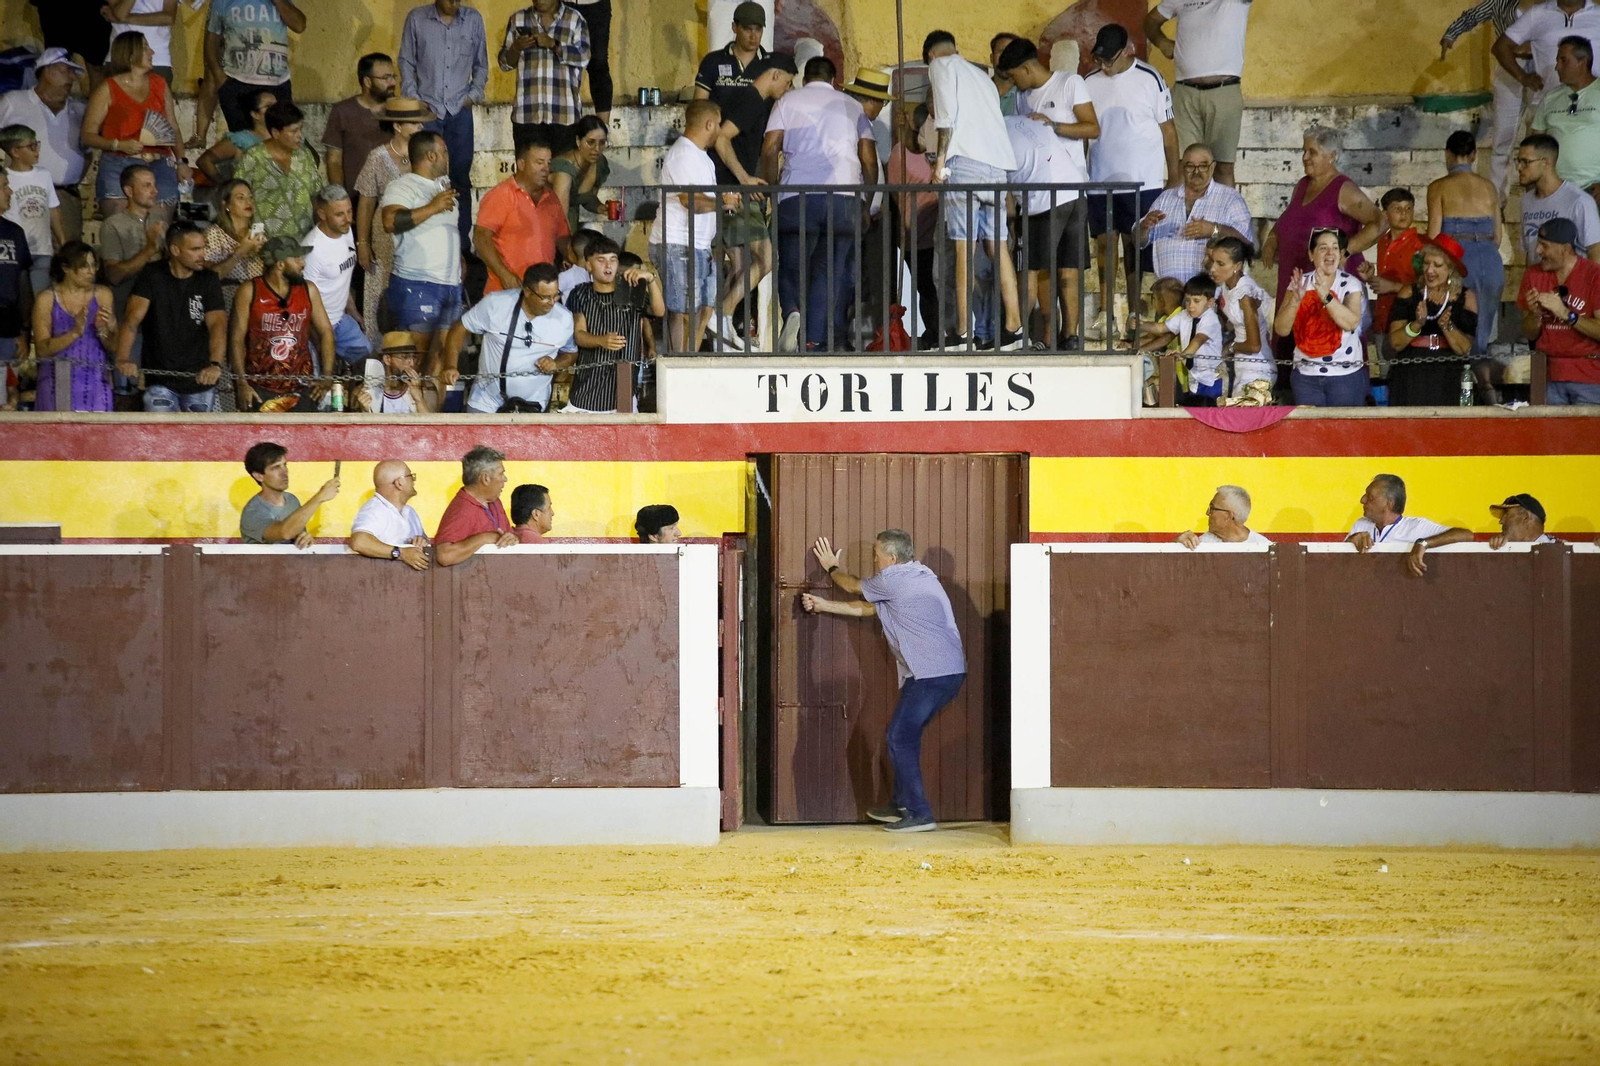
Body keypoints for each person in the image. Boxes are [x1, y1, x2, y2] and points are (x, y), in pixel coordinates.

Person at [800, 530, 965, 834]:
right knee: (905, 736)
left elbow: (852, 587)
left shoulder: (894, 578)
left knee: (898, 737)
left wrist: (831, 567)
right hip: (941, 673)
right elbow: (867, 609)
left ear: (891, 558)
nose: (873, 558)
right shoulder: (918, 575)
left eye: (876, 553)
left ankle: (919, 813)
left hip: (931, 674)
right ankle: (901, 804)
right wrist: (824, 605)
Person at [761, 56, 877, 352]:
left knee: (790, 264)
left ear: (803, 78)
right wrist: (865, 202)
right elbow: (868, 160)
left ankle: (793, 312)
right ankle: (813, 341)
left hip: (797, 196)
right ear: (834, 80)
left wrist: (773, 190)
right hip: (844, 199)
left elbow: (770, 148)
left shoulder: (787, 101)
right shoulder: (852, 107)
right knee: (829, 270)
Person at [924, 30, 1024, 350]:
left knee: (963, 248)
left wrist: (939, 163)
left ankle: (965, 331)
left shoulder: (941, 66)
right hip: (997, 168)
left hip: (964, 163)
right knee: (999, 248)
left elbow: (946, 120)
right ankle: (1014, 327)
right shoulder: (982, 77)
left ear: (930, 55)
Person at [997, 39, 1099, 348]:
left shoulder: (1070, 83)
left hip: (1066, 188)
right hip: (1038, 190)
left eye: (1016, 76)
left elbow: (1093, 128)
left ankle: (1067, 335)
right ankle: (1043, 335)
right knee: (1041, 267)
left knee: (1059, 267)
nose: (1015, 83)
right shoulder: (1023, 98)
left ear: (1027, 67)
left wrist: (1054, 125)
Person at [1084, 24, 1179, 330]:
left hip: (1143, 180)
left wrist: (1173, 175)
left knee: (1135, 245)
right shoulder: (1088, 81)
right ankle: (1105, 310)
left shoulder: (1150, 78)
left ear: (1126, 51)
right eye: (1100, 59)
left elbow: (1168, 130)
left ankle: (1136, 309)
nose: (1104, 66)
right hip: (1100, 178)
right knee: (1104, 244)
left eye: (1109, 60)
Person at [1260, 125, 1383, 350]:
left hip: (1326, 282)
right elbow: (1289, 219)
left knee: (1322, 342)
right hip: (1295, 280)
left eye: (1312, 152)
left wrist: (1347, 251)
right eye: (1304, 151)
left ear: (1332, 156)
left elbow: (1380, 222)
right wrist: (1272, 238)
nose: (1305, 157)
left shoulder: (1343, 188)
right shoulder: (1302, 185)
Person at [709, 53, 794, 349]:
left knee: (743, 263)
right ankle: (723, 314)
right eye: (787, 81)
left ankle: (721, 322)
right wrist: (744, 178)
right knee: (766, 260)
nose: (787, 88)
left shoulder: (753, 100)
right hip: (736, 192)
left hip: (731, 190)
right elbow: (721, 137)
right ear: (774, 75)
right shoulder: (751, 99)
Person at [401, 0, 488, 251]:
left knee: (460, 178)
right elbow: (406, 62)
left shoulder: (473, 20)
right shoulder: (417, 18)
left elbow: (481, 65)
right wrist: (415, 101)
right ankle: (428, 242)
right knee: (424, 177)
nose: (455, 3)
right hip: (427, 112)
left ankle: (460, 245)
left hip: (459, 111)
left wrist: (473, 96)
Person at [114, 221, 228, 412]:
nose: (203, 254)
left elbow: (218, 325)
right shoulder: (152, 274)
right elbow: (132, 320)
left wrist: (215, 364)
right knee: (160, 437)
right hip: (159, 379)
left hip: (200, 377)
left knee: (197, 440)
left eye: (203, 248)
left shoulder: (208, 279)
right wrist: (123, 358)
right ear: (175, 250)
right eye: (195, 249)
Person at [1145, 0, 1252, 188]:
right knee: (1184, 166)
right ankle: (1185, 217)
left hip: (1224, 91)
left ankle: (1225, 218)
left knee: (1223, 167)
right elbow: (1150, 21)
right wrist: (1162, 42)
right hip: (1184, 92)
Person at [81, 32, 187, 221]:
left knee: (158, 230)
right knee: (123, 229)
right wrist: (118, 145)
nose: (152, 52)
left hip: (159, 164)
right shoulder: (107, 88)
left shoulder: (160, 84)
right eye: (146, 47)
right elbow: (88, 134)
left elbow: (173, 127)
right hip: (119, 165)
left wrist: (181, 162)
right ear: (131, 54)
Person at [444, 261, 576, 413]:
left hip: (533, 405)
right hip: (485, 401)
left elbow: (570, 353)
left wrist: (556, 364)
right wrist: (450, 365)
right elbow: (460, 328)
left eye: (556, 295)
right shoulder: (496, 304)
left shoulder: (564, 318)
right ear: (527, 292)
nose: (552, 303)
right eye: (545, 297)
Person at [381, 130, 462, 370]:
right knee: (414, 360)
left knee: (442, 360)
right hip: (417, 284)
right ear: (431, 156)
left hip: (450, 285)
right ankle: (405, 405)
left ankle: (431, 408)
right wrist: (432, 207)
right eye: (444, 151)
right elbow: (390, 221)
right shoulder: (403, 186)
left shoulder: (442, 188)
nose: (448, 156)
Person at [354, 97, 432, 340]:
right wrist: (363, 244)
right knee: (386, 288)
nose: (420, 128)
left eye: (420, 123)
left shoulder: (430, 154)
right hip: (386, 236)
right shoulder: (378, 157)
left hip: (422, 232)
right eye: (415, 124)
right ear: (397, 126)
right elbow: (366, 203)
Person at [230, 234, 335, 412]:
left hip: (301, 385)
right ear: (280, 264)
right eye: (297, 259)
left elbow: (326, 333)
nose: (303, 263)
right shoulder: (249, 290)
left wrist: (326, 376)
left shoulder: (309, 290)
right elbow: (236, 339)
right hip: (260, 386)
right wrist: (241, 383)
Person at [1444, 0, 1539, 194]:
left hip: (1541, 69)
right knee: (1503, 137)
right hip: (1509, 68)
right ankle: (1498, 200)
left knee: (1539, 137)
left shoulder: (1552, 6)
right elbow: (1472, 16)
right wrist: (1450, 34)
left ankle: (1536, 193)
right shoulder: (1501, 3)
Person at [1427, 131, 1505, 358]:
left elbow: (1433, 236)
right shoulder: (1489, 187)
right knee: (1483, 332)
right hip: (1490, 260)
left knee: (1460, 330)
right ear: (1474, 155)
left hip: (1457, 259)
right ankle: (1481, 385)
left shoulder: (1438, 187)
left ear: (1448, 154)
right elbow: (1497, 238)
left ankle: (1462, 387)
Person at [654, 99, 722, 353]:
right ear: (709, 124)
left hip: (698, 243)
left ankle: (689, 360)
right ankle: (681, 364)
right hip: (677, 241)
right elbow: (688, 200)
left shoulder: (701, 157)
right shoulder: (683, 154)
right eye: (718, 124)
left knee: (705, 306)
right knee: (683, 310)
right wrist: (722, 201)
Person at [1272, 228, 1368, 406]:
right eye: (1323, 248)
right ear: (1311, 254)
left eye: (1335, 248)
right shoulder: (1299, 283)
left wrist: (1326, 296)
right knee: (1311, 430)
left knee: (1344, 430)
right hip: (1306, 377)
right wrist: (1295, 301)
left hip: (1344, 376)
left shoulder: (1350, 283)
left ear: (1340, 254)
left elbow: (1351, 322)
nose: (1330, 253)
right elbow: (1281, 329)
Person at [0, 50, 88, 244]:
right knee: (21, 251)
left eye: (73, 73)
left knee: (67, 258)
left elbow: (87, 151)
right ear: (48, 71)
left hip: (66, 196)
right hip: (20, 193)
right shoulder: (14, 102)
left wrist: (70, 181)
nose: (72, 78)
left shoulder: (79, 110)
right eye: (66, 71)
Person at [1135, 143, 1251, 289]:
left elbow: (1246, 242)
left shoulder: (1230, 199)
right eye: (1190, 166)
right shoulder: (1165, 199)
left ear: (1213, 167)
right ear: (1182, 167)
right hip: (1170, 298)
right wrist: (1144, 227)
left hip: (1212, 299)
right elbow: (1138, 241)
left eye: (1203, 166)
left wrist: (1214, 230)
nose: (1196, 172)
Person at [567, 236, 662, 412]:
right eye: (601, 260)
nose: (608, 265)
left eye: (613, 259)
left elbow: (658, 311)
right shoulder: (580, 293)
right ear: (589, 266)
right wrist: (600, 340)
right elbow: (579, 334)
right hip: (586, 392)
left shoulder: (632, 290)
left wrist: (650, 279)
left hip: (623, 390)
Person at [1386, 235, 1479, 406]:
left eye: (1437, 265)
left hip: (1448, 371)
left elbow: (1464, 348)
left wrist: (1447, 326)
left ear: (1450, 269)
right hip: (1412, 369)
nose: (1429, 270)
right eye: (1426, 263)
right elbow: (1396, 343)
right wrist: (1416, 325)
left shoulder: (1466, 297)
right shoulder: (1409, 292)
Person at [474, 133, 570, 294]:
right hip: (505, 291)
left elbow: (563, 238)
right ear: (521, 164)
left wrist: (582, 260)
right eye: (539, 162)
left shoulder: (551, 198)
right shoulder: (501, 195)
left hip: (541, 294)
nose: (545, 169)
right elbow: (480, 237)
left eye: (548, 163)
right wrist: (505, 275)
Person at [1518, 216, 1600, 403]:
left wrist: (1566, 314)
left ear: (1565, 249)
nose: (1538, 251)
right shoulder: (1533, 274)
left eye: (1544, 246)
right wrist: (1535, 314)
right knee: (1549, 433)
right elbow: (1530, 333)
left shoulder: (1594, 275)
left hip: (1590, 378)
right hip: (1549, 375)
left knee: (1585, 433)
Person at [199, 0, 304, 144]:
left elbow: (299, 25)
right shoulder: (223, 2)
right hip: (237, 84)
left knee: (283, 142)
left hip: (278, 83)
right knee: (244, 145)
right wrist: (220, 77)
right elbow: (212, 41)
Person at [30, 241, 116, 412]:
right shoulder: (46, 299)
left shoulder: (103, 294)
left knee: (96, 437)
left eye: (93, 265)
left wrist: (104, 329)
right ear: (65, 268)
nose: (91, 272)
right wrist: (75, 333)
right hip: (55, 381)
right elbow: (42, 350)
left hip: (96, 381)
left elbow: (114, 346)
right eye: (84, 266)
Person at [498, 0, 591, 144]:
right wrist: (516, 48)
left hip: (564, 116)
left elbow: (584, 57)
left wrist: (555, 45)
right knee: (528, 167)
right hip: (527, 116)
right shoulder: (518, 19)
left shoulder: (574, 19)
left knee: (562, 166)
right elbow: (504, 64)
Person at [1346, 473, 1473, 577]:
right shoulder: (1360, 525)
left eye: (1370, 497)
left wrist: (1423, 543)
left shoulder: (1416, 527)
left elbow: (1466, 535)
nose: (1362, 500)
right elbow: (1337, 565)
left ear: (1389, 504)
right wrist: (1350, 542)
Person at [888, 103, 941, 348]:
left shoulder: (939, 152)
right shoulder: (902, 154)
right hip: (917, 232)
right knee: (928, 288)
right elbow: (897, 194)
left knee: (938, 287)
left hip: (939, 231)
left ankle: (942, 332)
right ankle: (934, 333)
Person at [301, 183, 370, 373]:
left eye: (349, 211)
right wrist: (322, 342)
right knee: (322, 381)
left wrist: (352, 310)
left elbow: (341, 277)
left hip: (340, 320)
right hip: (316, 329)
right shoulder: (313, 250)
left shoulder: (345, 231)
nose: (348, 219)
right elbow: (304, 301)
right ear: (322, 214)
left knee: (370, 366)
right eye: (340, 214)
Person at [234, 101, 320, 239]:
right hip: (266, 242)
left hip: (304, 240)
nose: (300, 136)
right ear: (276, 133)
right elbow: (237, 198)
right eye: (293, 131)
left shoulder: (305, 156)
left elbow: (315, 195)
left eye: (300, 129)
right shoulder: (254, 157)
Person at [1495, 0, 1600, 113]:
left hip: (1594, 101)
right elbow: (1501, 47)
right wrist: (1522, 77)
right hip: (1548, 103)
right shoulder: (1537, 14)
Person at [1532, 34, 1600, 199]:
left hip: (1594, 189)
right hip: (1555, 189)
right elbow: (1536, 143)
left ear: (1582, 62)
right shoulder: (1550, 98)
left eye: (1563, 60)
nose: (1557, 67)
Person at [1207, 236, 1275, 396]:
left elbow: (1254, 346)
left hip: (1258, 369)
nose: (1213, 269)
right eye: (1213, 261)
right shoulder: (1226, 284)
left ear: (1237, 266)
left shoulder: (1245, 295)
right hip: (1242, 365)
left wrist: (1229, 348)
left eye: (1220, 264)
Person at [1515, 133, 1600, 259]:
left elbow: (1595, 250)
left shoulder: (1579, 201)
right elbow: (1530, 252)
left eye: (1526, 162)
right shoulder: (1526, 201)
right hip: (1540, 277)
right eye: (1518, 161)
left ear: (1545, 162)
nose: (1519, 167)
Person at [1, 124, 63, 296]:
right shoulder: (5, 178)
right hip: (15, 249)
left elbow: (53, 209)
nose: (37, 150)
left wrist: (61, 240)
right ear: (15, 152)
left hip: (43, 248)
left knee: (42, 296)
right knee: (19, 297)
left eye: (37, 144)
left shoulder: (44, 174)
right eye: (31, 146)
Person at [239, 441, 338, 547]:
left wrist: (304, 538)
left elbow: (295, 533)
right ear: (259, 476)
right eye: (276, 467)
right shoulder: (253, 512)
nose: (285, 472)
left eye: (284, 465)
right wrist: (319, 497)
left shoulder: (292, 500)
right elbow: (285, 533)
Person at [434, 445, 519, 566]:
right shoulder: (463, 509)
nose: (505, 479)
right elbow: (444, 555)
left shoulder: (494, 501)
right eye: (501, 474)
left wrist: (512, 539)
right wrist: (484, 538)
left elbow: (508, 536)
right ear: (485, 479)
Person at [1360, 188, 1425, 342]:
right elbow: (1384, 283)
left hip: (1407, 322)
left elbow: (1427, 287)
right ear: (1385, 214)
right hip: (1383, 319)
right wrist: (1370, 278)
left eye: (1408, 208)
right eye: (1397, 209)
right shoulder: (1382, 241)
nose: (1404, 213)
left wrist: (1393, 287)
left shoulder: (1420, 245)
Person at [323, 53, 396, 190]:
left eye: (393, 77)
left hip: (394, 195)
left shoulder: (400, 110)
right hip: (355, 196)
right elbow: (334, 160)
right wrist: (340, 197)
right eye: (386, 78)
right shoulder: (342, 111)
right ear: (367, 81)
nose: (393, 83)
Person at [1151, 272, 1225, 403]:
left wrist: (1182, 354)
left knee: (1210, 413)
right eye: (1188, 300)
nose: (1191, 305)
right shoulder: (1184, 315)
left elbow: (1198, 340)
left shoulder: (1210, 320)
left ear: (1210, 302)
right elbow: (1161, 328)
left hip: (1212, 379)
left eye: (1196, 301)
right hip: (1194, 377)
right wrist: (1140, 325)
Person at [348, 459, 430, 569]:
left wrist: (421, 541)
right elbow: (359, 542)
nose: (413, 480)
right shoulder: (374, 509)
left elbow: (425, 544)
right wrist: (400, 553)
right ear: (399, 483)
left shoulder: (411, 513)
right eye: (410, 476)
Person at [203, 178, 266, 305]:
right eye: (240, 197)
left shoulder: (256, 234)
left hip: (258, 298)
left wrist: (266, 254)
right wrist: (240, 252)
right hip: (227, 298)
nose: (248, 202)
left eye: (250, 197)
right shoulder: (214, 234)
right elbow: (211, 276)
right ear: (226, 205)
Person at [195, 87, 274, 187]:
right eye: (269, 106)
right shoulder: (241, 140)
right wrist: (227, 187)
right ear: (255, 114)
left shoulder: (283, 138)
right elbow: (204, 161)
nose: (276, 109)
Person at [694, 1, 771, 104]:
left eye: (758, 29)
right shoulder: (712, 61)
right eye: (747, 29)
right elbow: (699, 108)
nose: (753, 36)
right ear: (734, 27)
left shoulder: (772, 65)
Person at [551, 115, 611, 237]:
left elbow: (586, 198)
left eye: (602, 143)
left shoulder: (600, 163)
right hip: (549, 224)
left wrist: (600, 207)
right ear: (578, 141)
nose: (597, 149)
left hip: (570, 222)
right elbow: (560, 218)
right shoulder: (565, 168)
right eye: (590, 142)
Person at [353, 331, 440, 413]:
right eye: (405, 357)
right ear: (387, 359)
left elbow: (432, 426)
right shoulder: (366, 391)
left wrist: (418, 399)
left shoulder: (426, 389)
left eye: (414, 357)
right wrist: (365, 410)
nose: (412, 363)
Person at [0, 173, 33, 376]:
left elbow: (22, 285)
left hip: (6, 321)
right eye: (4, 186)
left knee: (3, 394)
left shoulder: (14, 232)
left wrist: (22, 331)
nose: (10, 191)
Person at [104, 0, 178, 85]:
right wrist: (122, 18)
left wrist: (127, 18)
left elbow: (168, 18)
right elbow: (121, 13)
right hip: (121, 55)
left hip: (157, 57)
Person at [1175, 484, 1271, 547]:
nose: (1207, 513)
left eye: (1212, 508)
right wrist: (1177, 546)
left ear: (1228, 516)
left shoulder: (1263, 547)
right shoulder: (1201, 544)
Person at [1487, 493, 1559, 547]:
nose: (1501, 521)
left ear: (1526, 517)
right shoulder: (1507, 550)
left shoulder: (1558, 551)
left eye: (1507, 515)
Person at [990, 32, 1021, 116]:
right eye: (1002, 53)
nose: (1006, 59)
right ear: (991, 58)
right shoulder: (979, 90)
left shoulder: (1027, 96)